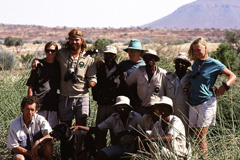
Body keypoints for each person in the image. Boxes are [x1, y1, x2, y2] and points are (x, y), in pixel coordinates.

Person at [32, 29, 97, 126]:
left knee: (81, 127)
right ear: (68, 40)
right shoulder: (61, 54)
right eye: (72, 39)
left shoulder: (88, 59)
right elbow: (49, 57)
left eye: (77, 40)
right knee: (64, 127)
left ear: (82, 41)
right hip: (65, 96)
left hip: (82, 97)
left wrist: (89, 83)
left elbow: (92, 79)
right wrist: (36, 60)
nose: (74, 42)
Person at [187, 37, 236, 157]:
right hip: (193, 102)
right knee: (193, 135)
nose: (196, 53)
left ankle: (205, 157)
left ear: (205, 48)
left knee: (201, 137)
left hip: (206, 102)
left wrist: (223, 87)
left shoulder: (214, 63)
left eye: (198, 50)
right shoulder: (195, 64)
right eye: (194, 50)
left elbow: (232, 76)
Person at [71, 96, 142, 160]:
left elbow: (143, 133)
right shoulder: (114, 117)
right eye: (119, 108)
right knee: (101, 155)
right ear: (116, 109)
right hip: (121, 146)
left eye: (124, 107)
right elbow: (97, 129)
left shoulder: (137, 117)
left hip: (135, 148)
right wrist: (79, 127)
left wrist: (127, 132)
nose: (122, 109)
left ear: (129, 108)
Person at [92, 45, 127, 150]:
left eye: (111, 55)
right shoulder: (99, 69)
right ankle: (100, 153)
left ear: (115, 57)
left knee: (114, 131)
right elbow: (95, 85)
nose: (109, 58)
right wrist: (97, 98)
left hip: (114, 106)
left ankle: (114, 153)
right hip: (102, 105)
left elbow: (124, 88)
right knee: (100, 131)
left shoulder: (121, 71)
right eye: (106, 55)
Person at [7, 96, 53, 160]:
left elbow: (50, 135)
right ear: (22, 109)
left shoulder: (40, 120)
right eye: (27, 109)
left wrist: (38, 142)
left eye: (32, 110)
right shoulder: (14, 125)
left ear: (36, 110)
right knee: (19, 158)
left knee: (48, 145)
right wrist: (30, 154)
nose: (30, 113)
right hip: (24, 154)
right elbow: (14, 147)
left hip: (39, 152)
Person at [27, 41, 60, 128]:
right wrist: (30, 103)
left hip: (52, 104)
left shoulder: (59, 66)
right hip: (39, 103)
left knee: (51, 131)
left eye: (52, 51)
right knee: (36, 130)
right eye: (47, 50)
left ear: (56, 52)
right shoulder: (38, 65)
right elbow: (31, 86)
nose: (50, 53)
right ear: (45, 51)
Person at [126, 49, 167, 115]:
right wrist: (135, 99)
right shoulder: (138, 71)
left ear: (155, 60)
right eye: (146, 58)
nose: (149, 60)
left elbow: (167, 91)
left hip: (157, 108)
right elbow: (128, 84)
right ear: (144, 60)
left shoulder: (163, 73)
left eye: (151, 58)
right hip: (142, 107)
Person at [161, 52, 191, 135]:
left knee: (185, 133)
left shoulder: (191, 78)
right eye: (178, 62)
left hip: (186, 113)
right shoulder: (168, 78)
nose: (180, 64)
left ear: (187, 65)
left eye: (183, 62)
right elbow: (163, 96)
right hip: (170, 113)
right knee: (170, 133)